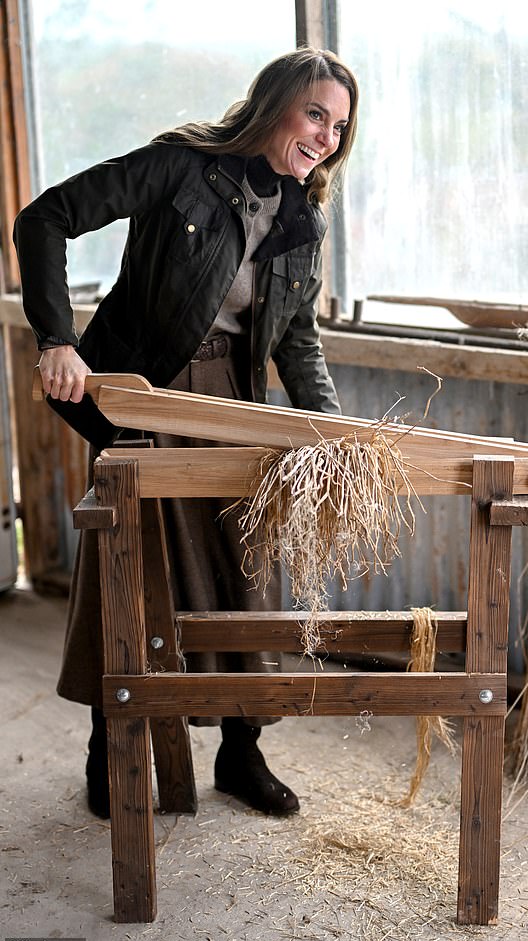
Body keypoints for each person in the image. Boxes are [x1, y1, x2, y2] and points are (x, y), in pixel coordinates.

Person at [13, 47, 358, 819]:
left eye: (338, 125)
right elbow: (45, 219)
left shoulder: (307, 215)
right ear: (272, 105)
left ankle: (243, 750)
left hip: (236, 399)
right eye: (314, 114)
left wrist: (329, 430)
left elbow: (296, 338)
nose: (326, 136)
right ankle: (115, 744)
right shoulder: (181, 166)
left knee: (246, 568)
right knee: (132, 572)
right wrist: (56, 339)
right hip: (146, 394)